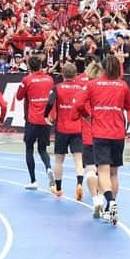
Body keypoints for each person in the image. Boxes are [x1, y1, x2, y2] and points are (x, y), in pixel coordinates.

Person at [76, 53, 130, 225]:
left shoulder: (92, 85)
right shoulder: (123, 86)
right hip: (118, 133)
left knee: (103, 171)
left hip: (100, 133)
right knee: (114, 172)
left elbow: (78, 104)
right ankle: (111, 208)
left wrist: (87, 115)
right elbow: (128, 106)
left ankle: (110, 202)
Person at [44, 63, 87, 200]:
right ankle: (79, 183)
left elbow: (50, 102)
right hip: (77, 128)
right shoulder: (81, 88)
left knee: (59, 160)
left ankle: (58, 188)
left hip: (62, 128)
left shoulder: (57, 87)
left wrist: (46, 115)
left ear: (62, 74)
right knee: (78, 159)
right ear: (76, 75)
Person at [16, 56, 55, 190]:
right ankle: (48, 168)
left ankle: (33, 180)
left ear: (29, 66)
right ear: (40, 65)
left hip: (32, 119)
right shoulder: (49, 79)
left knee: (29, 149)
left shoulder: (27, 80)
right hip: (45, 119)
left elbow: (19, 96)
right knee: (43, 149)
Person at [77, 61, 104, 213]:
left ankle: (95, 199)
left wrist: (85, 116)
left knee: (90, 169)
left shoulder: (85, 89)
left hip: (88, 135)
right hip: (104, 135)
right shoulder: (103, 90)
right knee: (103, 170)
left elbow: (77, 105)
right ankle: (101, 196)